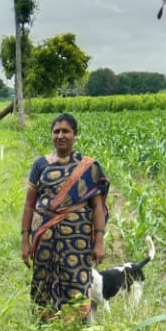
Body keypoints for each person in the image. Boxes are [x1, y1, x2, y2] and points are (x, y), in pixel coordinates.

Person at [20, 113, 109, 320]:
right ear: (51, 135)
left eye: (66, 131)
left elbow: (97, 207)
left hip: (77, 238)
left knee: (77, 279)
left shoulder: (89, 167)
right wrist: (25, 240)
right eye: (56, 131)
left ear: (75, 135)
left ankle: (76, 325)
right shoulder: (40, 165)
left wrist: (99, 242)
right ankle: (45, 324)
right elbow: (29, 204)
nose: (60, 135)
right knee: (43, 279)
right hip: (44, 235)